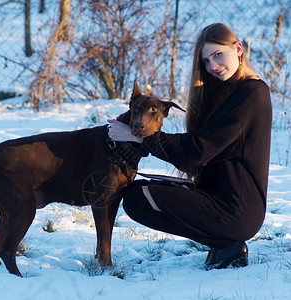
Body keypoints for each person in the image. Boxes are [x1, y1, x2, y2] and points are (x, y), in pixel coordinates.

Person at [108, 23, 272, 270]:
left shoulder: (251, 93)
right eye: (206, 61)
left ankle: (228, 244)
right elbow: (197, 155)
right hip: (215, 196)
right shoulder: (231, 91)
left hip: (237, 210)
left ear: (238, 49)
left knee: (137, 199)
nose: (212, 66)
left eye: (218, 55)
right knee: (136, 194)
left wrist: (140, 136)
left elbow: (199, 150)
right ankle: (224, 242)